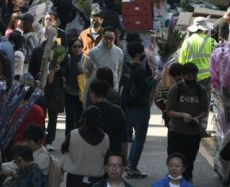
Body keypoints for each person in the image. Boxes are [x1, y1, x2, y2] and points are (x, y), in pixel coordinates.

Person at [165, 63, 209, 182]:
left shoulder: (201, 90)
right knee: (175, 160)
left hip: (193, 133)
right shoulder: (176, 89)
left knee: (189, 161)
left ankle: (187, 180)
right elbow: (169, 111)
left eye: (194, 77)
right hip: (177, 132)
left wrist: (197, 118)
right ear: (183, 76)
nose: (192, 79)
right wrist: (183, 115)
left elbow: (205, 110)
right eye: (189, 77)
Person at [124, 41, 160, 179]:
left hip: (131, 106)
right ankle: (132, 169)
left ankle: (130, 164)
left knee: (137, 137)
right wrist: (156, 78)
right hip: (140, 107)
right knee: (140, 138)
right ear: (140, 54)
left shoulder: (130, 66)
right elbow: (146, 87)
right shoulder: (138, 69)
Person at [177, 16, 215, 127]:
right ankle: (202, 126)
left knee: (190, 101)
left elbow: (181, 61)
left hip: (189, 78)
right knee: (205, 103)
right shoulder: (212, 41)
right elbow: (217, 60)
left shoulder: (187, 42)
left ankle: (190, 123)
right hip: (207, 77)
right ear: (204, 29)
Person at [61, 105, 109, 186]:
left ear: (85, 119)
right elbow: (107, 158)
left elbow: (63, 149)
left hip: (74, 178)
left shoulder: (74, 134)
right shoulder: (105, 138)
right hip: (96, 179)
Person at [59, 38, 95, 134]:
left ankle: (80, 137)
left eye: (79, 46)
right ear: (70, 48)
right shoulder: (67, 58)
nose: (77, 48)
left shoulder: (86, 59)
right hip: (69, 92)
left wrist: (85, 72)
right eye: (74, 46)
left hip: (81, 93)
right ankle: (69, 138)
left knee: (80, 118)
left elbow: (94, 73)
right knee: (70, 118)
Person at [87, 80, 127, 153]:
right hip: (113, 150)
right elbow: (124, 138)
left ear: (93, 94)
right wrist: (124, 158)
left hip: (92, 151)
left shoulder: (88, 112)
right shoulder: (118, 110)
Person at [44, 57, 64, 151]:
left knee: (53, 116)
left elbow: (66, 70)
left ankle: (49, 140)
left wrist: (59, 70)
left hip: (55, 90)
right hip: (42, 86)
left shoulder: (61, 56)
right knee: (41, 115)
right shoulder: (38, 51)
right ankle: (40, 139)